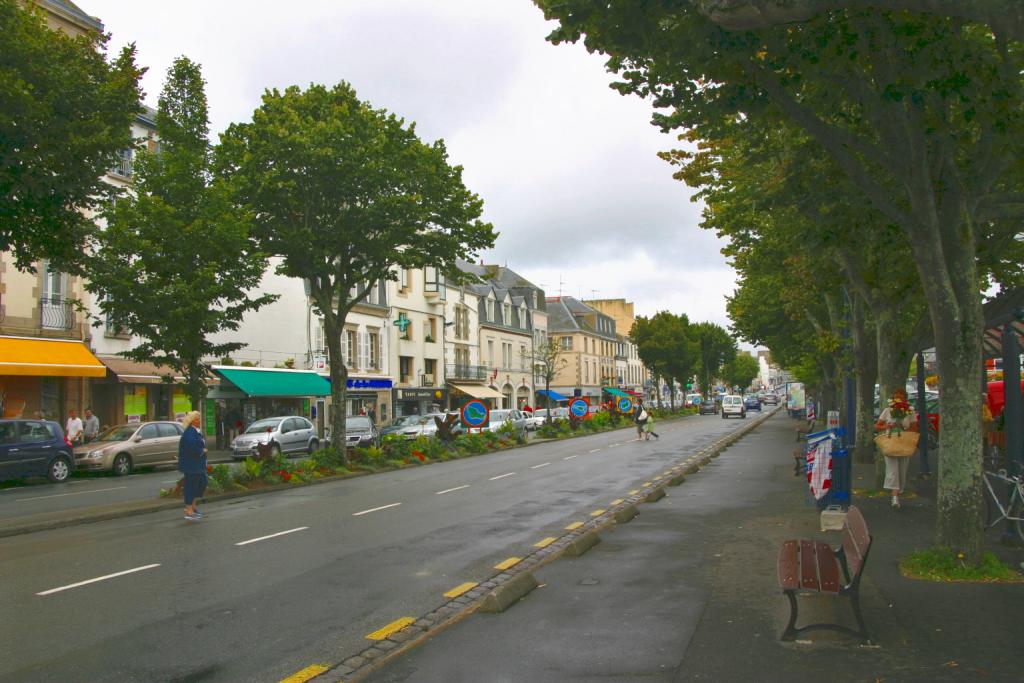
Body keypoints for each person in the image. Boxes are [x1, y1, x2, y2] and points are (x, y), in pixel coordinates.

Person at [876, 389, 916, 509]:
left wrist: (903, 427)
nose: (898, 399)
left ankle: (898, 492)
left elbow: (914, 428)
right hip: (890, 442)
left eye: (900, 397)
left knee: (902, 470)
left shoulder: (910, 411)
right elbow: (877, 426)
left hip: (904, 442)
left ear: (905, 399)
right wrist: (887, 426)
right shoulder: (887, 411)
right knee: (893, 470)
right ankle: (894, 497)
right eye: (895, 397)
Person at [178, 410, 208, 521]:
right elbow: (191, 448)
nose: (199, 420)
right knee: (190, 487)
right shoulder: (189, 433)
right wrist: (202, 450)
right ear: (191, 421)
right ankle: (189, 510)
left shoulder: (196, 432)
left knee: (201, 483)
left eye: (199, 418)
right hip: (191, 465)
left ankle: (193, 507)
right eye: (197, 419)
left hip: (198, 465)